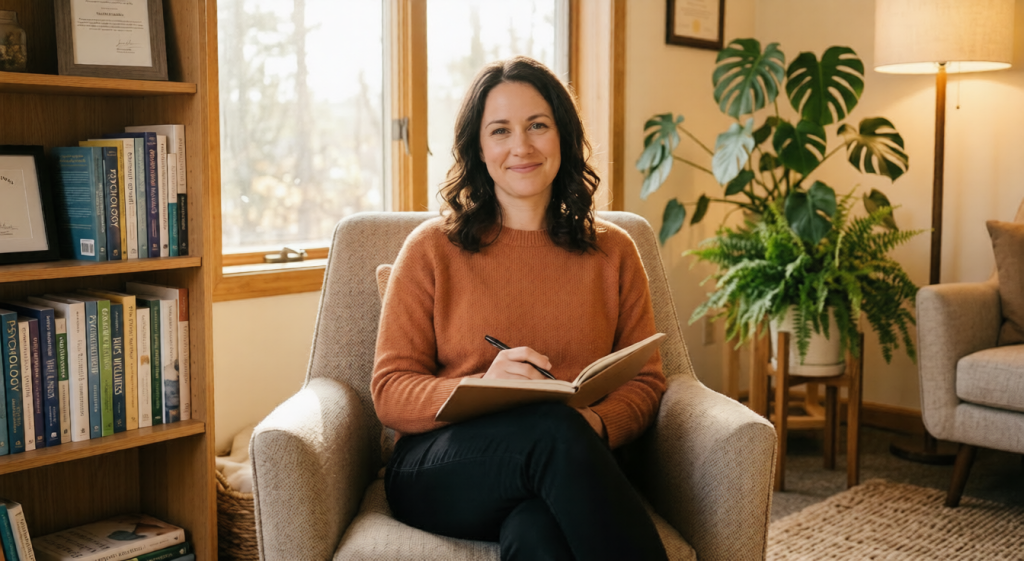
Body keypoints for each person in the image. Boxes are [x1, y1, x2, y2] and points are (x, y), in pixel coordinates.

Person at [371, 56, 669, 561]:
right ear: (479, 149)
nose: (521, 146)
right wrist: (483, 388)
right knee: (554, 431)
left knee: (538, 534)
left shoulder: (615, 252)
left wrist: (594, 426)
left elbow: (646, 383)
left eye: (537, 126)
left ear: (563, 137)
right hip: (441, 471)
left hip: (567, 466)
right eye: (501, 131)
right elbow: (391, 391)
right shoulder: (432, 248)